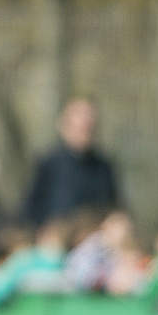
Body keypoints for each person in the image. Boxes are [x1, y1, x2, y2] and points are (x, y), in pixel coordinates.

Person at [23, 97, 120, 227]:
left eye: (89, 128)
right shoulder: (48, 164)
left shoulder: (104, 167)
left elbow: (112, 209)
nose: (86, 131)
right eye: (81, 127)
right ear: (64, 126)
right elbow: (30, 211)